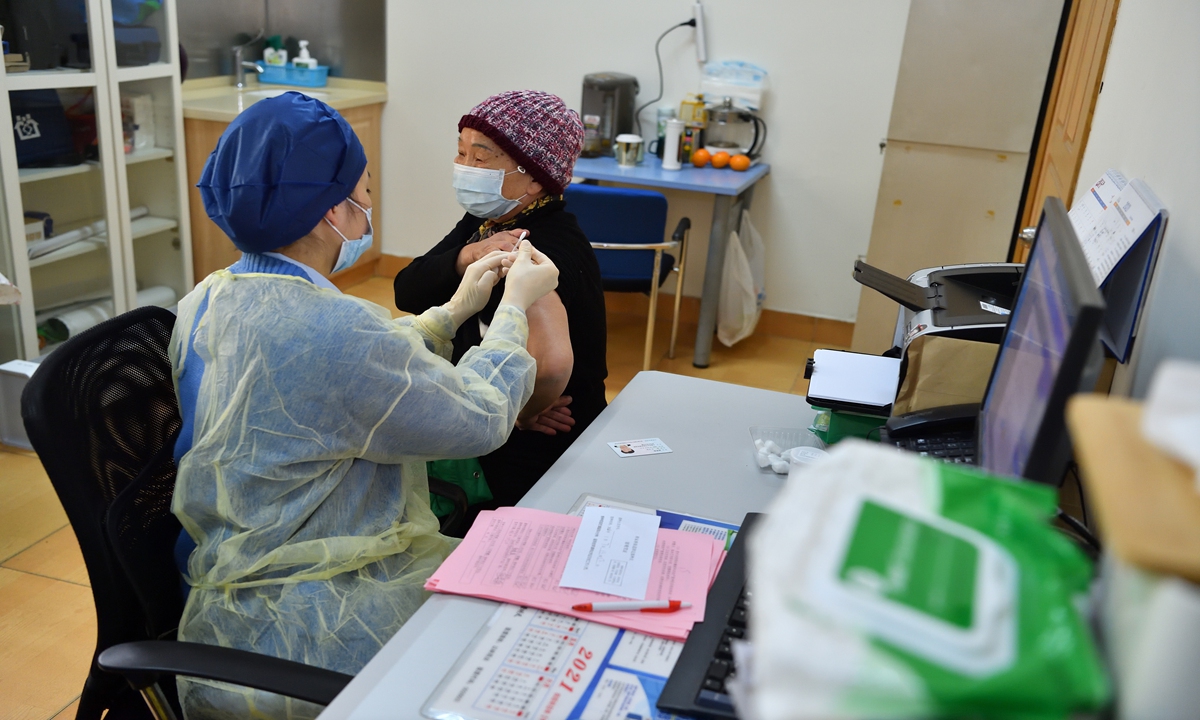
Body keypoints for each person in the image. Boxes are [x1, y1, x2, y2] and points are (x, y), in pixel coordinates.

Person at [171, 92, 559, 718]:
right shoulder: (332, 329)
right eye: (366, 190)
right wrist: (513, 310)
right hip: (309, 618)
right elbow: (480, 417)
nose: (370, 207)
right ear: (332, 210)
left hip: (234, 578)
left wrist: (453, 310)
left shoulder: (212, 299)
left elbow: (342, 369)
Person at [394, 90, 608, 508]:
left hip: (539, 440)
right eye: (460, 154)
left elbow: (550, 368)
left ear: (534, 178)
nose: (463, 168)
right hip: (498, 412)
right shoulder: (488, 222)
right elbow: (408, 290)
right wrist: (465, 257)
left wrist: (525, 410)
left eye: (481, 158)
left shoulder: (540, 247)